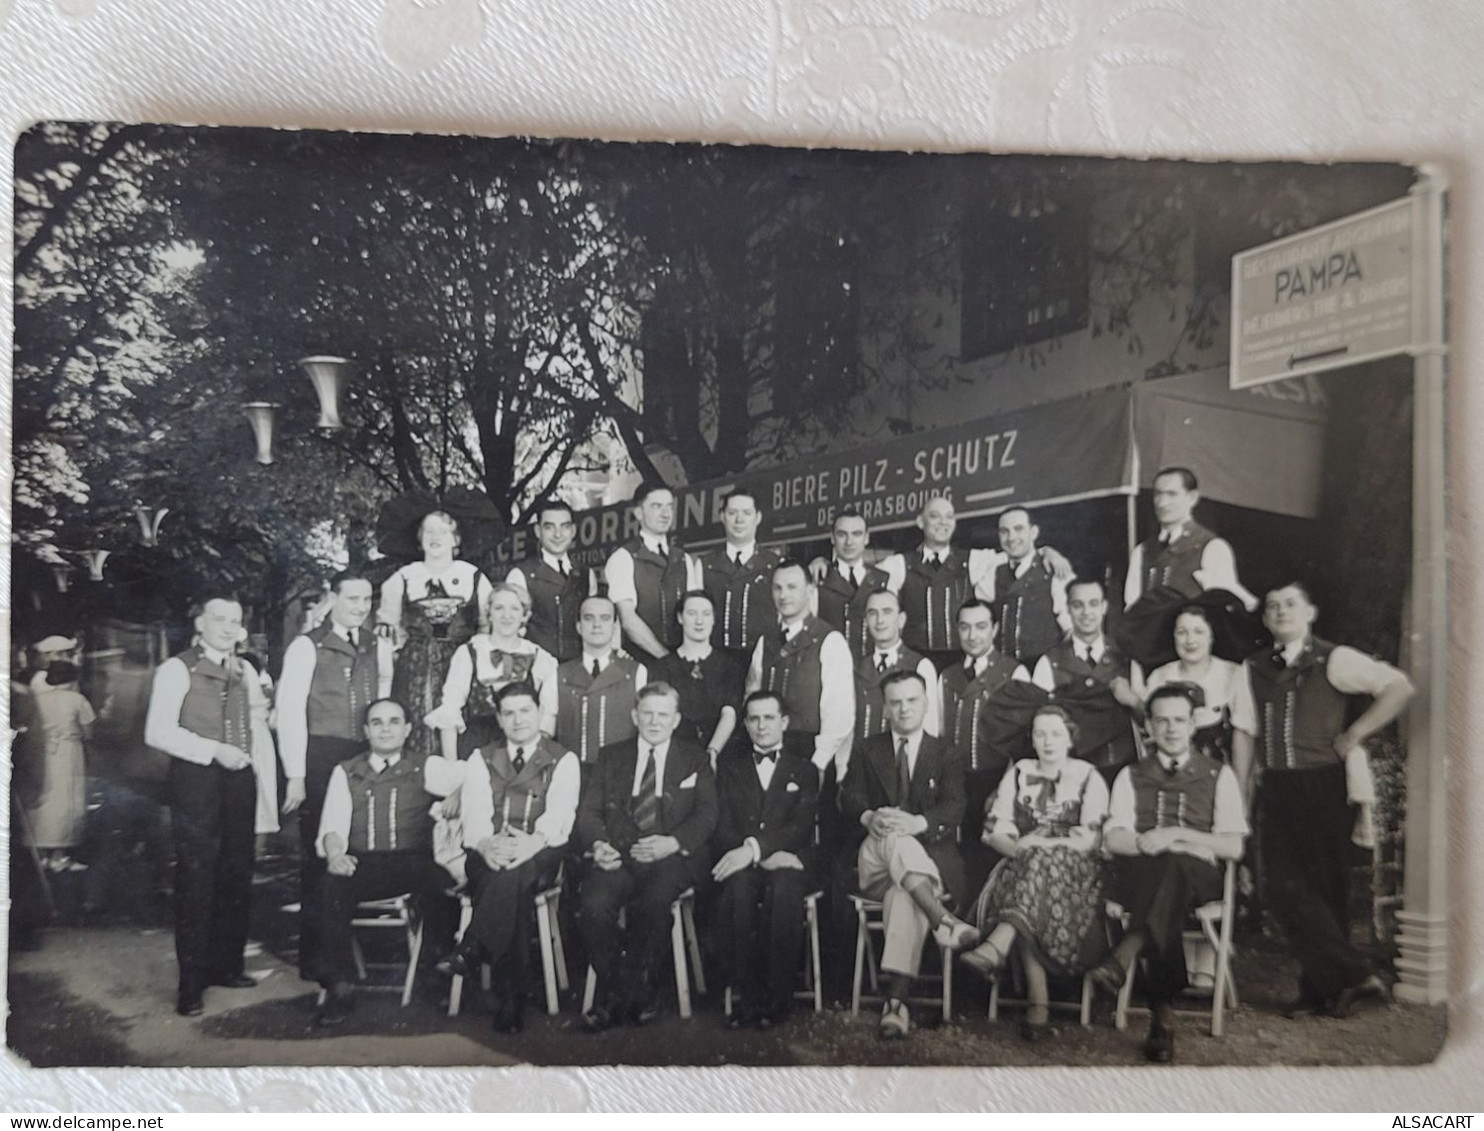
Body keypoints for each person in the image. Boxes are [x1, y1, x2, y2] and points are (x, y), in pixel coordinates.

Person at [1242, 582, 1413, 1019]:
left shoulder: (1334, 658)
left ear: (1311, 612)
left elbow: (1398, 687)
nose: (1281, 611)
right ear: (1265, 620)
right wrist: (1246, 787)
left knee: (1325, 887)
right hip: (1277, 784)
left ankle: (1321, 991)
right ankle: (1355, 976)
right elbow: (1248, 730)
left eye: (1291, 604)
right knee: (1278, 888)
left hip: (1322, 783)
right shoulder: (1254, 666)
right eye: (1273, 606)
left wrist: (1356, 733)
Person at [1090, 683, 1249, 1064]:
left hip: (1201, 880)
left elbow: (1233, 847)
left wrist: (1175, 835)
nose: (1171, 728)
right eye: (1161, 720)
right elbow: (1114, 838)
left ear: (1193, 724)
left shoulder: (1218, 775)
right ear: (1149, 726)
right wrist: (1150, 843)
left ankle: (1129, 959)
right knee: (1165, 879)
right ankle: (1161, 1018)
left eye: (1179, 720)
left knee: (1173, 869)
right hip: (1146, 875)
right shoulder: (1131, 775)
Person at [144, 596, 280, 1017]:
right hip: (196, 778)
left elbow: (257, 725)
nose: (226, 627)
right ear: (200, 623)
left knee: (237, 872)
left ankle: (227, 965)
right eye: (218, 619)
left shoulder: (246, 669)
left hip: (239, 777)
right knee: (197, 877)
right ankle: (191, 983)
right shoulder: (176, 668)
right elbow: (157, 732)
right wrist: (213, 751)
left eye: (234, 621)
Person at [840, 671, 980, 1039]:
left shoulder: (945, 752)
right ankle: (943, 920)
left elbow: (954, 806)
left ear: (925, 703)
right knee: (893, 840)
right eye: (896, 702)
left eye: (912, 700)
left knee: (902, 895)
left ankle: (895, 1005)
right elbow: (848, 798)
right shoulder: (867, 749)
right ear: (884, 708)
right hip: (875, 861)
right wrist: (871, 817)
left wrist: (917, 823)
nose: (904, 709)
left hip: (923, 867)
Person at [437, 683, 581, 1033]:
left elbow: (560, 816)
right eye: (509, 713)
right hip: (488, 850)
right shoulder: (480, 758)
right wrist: (487, 844)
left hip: (540, 849)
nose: (518, 720)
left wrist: (529, 845)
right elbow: (475, 815)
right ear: (499, 720)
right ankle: (510, 996)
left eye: (525, 711)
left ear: (539, 713)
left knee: (513, 876)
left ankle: (475, 949)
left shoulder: (563, 759)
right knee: (508, 881)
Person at [960, 704, 1110, 1041]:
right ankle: (1037, 1000)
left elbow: (1092, 840)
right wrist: (1023, 851)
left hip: (1077, 877)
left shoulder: (1088, 776)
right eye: (1040, 734)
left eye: (1056, 733)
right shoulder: (1019, 772)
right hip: (1020, 867)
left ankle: (1006, 960)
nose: (1048, 741)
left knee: (1034, 876)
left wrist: (1038, 849)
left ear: (1071, 737)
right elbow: (996, 831)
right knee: (1031, 879)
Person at [575, 682, 717, 1030]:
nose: (655, 722)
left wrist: (673, 842)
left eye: (663, 715)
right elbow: (590, 811)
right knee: (593, 905)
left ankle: (615, 997)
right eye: (648, 714)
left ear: (676, 719)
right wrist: (599, 845)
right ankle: (631, 990)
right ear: (635, 716)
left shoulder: (694, 757)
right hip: (621, 854)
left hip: (672, 856)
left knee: (652, 904)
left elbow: (708, 813)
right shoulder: (611, 755)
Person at [276, 569, 393, 981]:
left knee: (355, 847)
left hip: (362, 753)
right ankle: (316, 958)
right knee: (319, 854)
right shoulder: (307, 647)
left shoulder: (376, 644)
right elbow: (289, 713)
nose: (361, 607)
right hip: (321, 754)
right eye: (352, 599)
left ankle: (348, 949)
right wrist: (295, 774)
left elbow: (383, 696)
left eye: (366, 599)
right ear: (333, 599)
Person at [312, 698, 458, 1026]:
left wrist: (458, 793)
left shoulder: (426, 766)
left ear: (407, 730)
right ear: (366, 731)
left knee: (442, 886)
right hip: (365, 861)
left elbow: (475, 776)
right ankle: (340, 986)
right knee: (329, 886)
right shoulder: (346, 771)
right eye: (377, 722)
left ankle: (434, 977)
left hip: (412, 860)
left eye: (394, 721)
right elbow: (333, 826)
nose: (386, 729)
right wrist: (336, 855)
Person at [711, 690, 819, 1028]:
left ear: (784, 722)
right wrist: (752, 855)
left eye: (769, 718)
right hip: (743, 863)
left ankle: (778, 996)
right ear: (745, 724)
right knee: (737, 890)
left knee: (785, 890)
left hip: (788, 860)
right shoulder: (730, 770)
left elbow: (800, 827)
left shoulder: (804, 770)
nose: (761, 726)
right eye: (754, 719)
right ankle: (747, 995)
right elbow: (721, 824)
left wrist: (757, 850)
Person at [874, 497, 1071, 671]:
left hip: (962, 663)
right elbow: (869, 580)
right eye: (935, 516)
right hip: (915, 662)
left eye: (949, 516)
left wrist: (1047, 552)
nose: (943, 522)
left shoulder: (976, 560)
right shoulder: (899, 564)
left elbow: (1019, 553)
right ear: (920, 522)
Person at [377, 511, 494, 759]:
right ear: (420, 539)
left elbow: (487, 627)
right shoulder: (403, 578)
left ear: (456, 539)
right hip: (415, 670)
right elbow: (389, 630)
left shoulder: (474, 577)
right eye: (429, 531)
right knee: (417, 731)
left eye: (443, 531)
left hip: (463, 664)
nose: (435, 537)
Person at [937, 598, 1032, 893]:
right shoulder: (947, 676)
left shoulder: (1013, 673)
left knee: (993, 854)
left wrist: (1003, 788)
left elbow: (1024, 744)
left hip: (998, 779)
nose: (972, 635)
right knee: (958, 856)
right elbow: (941, 732)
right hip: (957, 780)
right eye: (964, 627)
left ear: (994, 629)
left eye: (980, 627)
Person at [745, 561, 856, 784]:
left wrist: (818, 764)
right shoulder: (765, 642)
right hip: (767, 752)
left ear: (809, 591)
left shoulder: (830, 640)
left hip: (810, 754)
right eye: (777, 588)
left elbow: (839, 715)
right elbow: (751, 697)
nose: (783, 595)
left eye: (792, 587)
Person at [426, 583, 559, 760]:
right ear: (489, 614)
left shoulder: (541, 659)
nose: (507, 615)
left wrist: (533, 762)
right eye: (499, 608)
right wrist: (453, 765)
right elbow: (450, 712)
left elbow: (547, 718)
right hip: (475, 749)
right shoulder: (469, 653)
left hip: (522, 749)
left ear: (525, 615)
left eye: (514, 608)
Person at [1031, 579, 1143, 784]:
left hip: (1123, 769)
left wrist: (1133, 700)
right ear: (1068, 609)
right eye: (1077, 605)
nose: (1086, 612)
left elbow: (1149, 718)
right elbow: (1039, 724)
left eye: (1093, 604)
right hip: (1071, 775)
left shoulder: (1127, 656)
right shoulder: (1050, 662)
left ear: (1105, 607)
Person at [1123, 467, 1257, 612]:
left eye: (1172, 494)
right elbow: (1131, 608)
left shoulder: (1212, 547)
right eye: (1158, 494)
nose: (1162, 503)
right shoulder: (1142, 551)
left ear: (1192, 497)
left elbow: (1225, 604)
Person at [1137, 604, 1257, 766]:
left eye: (1198, 632)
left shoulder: (1232, 673)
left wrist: (1239, 786)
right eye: (1182, 632)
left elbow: (1243, 733)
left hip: (1220, 769)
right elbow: (1150, 733)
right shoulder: (1159, 676)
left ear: (1211, 636)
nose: (1190, 640)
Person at [554, 595, 649, 766]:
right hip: (573, 776)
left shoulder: (637, 672)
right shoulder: (558, 675)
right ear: (578, 627)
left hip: (622, 775)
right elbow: (544, 734)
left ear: (614, 627)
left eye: (604, 618)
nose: (597, 625)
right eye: (589, 618)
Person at [603, 482, 694, 660]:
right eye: (656, 506)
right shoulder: (623, 558)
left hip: (681, 661)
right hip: (641, 662)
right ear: (638, 513)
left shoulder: (684, 559)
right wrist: (666, 659)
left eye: (669, 507)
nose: (665, 514)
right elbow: (628, 621)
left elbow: (695, 614)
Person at [652, 590, 744, 762]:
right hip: (675, 756)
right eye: (692, 614)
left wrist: (712, 752)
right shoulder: (662, 667)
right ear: (680, 618)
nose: (699, 621)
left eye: (706, 614)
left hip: (720, 753)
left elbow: (729, 713)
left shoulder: (730, 665)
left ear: (714, 619)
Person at [24, 660, 96, 873]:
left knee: (44, 800)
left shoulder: (36, 699)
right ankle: (60, 857)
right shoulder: (77, 700)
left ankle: (44, 856)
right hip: (67, 752)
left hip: (40, 753)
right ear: (73, 678)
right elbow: (89, 732)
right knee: (66, 801)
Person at [695, 489, 783, 660]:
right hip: (715, 663)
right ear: (722, 516)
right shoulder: (705, 565)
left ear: (758, 517)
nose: (739, 520)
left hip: (762, 662)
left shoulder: (775, 565)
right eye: (732, 513)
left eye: (747, 513)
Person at [506, 499, 588, 663]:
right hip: (536, 668)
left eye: (564, 527)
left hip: (577, 670)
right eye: (549, 527)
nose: (558, 535)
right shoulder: (521, 575)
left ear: (573, 531)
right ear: (538, 531)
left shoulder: (585, 573)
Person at [853, 588, 940, 741]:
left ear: (901, 620)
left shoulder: (920, 666)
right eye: (873, 613)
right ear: (865, 621)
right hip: (862, 760)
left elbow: (930, 728)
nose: (880, 620)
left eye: (887, 612)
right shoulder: (855, 668)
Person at [989, 507, 1071, 665]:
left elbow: (1071, 630)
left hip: (1043, 669)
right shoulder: (994, 567)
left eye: (1018, 529)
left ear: (1033, 532)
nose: (1011, 537)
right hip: (1005, 669)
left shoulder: (1053, 570)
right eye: (1004, 531)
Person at [812, 508, 892, 659]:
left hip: (871, 671)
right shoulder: (819, 577)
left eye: (857, 534)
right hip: (830, 666)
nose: (849, 542)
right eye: (842, 534)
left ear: (866, 538)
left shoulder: (883, 579)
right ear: (832, 538)